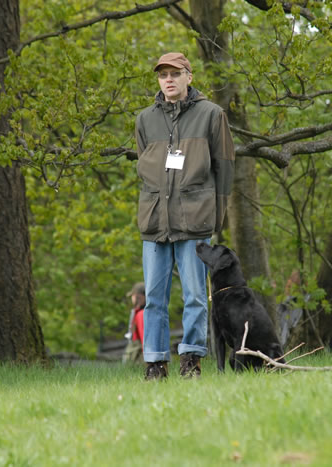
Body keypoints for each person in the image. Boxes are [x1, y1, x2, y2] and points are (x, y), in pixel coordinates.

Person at [134, 52, 235, 380]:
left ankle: (192, 360)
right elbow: (145, 167)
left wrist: (217, 217)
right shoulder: (144, 119)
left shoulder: (212, 115)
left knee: (195, 296)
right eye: (163, 74)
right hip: (154, 221)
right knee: (153, 298)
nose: (169, 80)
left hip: (195, 219)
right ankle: (155, 364)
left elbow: (224, 168)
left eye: (175, 74)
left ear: (189, 77)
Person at [122, 282, 145, 364]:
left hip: (138, 360)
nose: (132, 298)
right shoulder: (138, 313)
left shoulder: (141, 314)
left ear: (139, 296)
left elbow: (144, 338)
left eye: (133, 295)